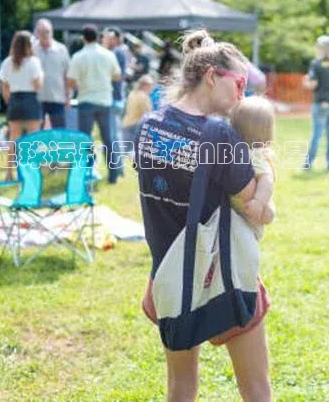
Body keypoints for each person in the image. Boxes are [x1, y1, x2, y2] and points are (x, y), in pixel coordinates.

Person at [135, 29, 273, 402]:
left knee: (180, 386)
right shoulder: (219, 137)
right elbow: (256, 212)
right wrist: (265, 176)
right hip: (221, 275)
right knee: (256, 388)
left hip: (169, 278)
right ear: (212, 76)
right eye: (240, 83)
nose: (242, 95)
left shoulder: (149, 126)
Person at [68, 25, 121, 184]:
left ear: (83, 38)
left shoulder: (78, 56)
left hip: (86, 101)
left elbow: (71, 81)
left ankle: (86, 172)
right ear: (98, 37)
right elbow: (117, 76)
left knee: (85, 140)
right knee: (108, 140)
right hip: (104, 100)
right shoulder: (108, 55)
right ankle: (113, 174)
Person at [230, 95, 276, 241]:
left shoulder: (255, 154)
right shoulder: (240, 150)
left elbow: (266, 179)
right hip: (240, 213)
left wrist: (259, 202)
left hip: (251, 216)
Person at [0, 30, 44, 179]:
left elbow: (4, 86)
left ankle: (9, 172)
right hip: (30, 99)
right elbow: (38, 85)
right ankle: (33, 171)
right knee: (33, 139)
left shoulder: (7, 62)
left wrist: (9, 101)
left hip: (15, 100)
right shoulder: (33, 62)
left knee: (13, 138)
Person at [302, 35, 329, 171]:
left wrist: (305, 81)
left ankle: (308, 163)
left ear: (321, 48)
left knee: (316, 135)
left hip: (321, 103)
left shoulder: (316, 64)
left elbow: (313, 84)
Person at [33, 19, 71, 128]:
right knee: (36, 131)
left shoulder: (61, 49)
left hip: (57, 97)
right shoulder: (32, 49)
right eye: (41, 32)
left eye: (47, 31)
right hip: (37, 97)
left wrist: (68, 95)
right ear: (37, 33)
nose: (44, 35)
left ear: (52, 32)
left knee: (59, 130)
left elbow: (67, 74)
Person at [103, 27, 128, 161]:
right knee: (114, 133)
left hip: (114, 99)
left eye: (107, 38)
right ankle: (118, 166)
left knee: (113, 135)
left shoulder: (115, 53)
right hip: (115, 99)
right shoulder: (118, 53)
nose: (104, 40)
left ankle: (117, 166)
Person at [121, 74, 153, 144]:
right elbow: (148, 114)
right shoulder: (144, 97)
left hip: (126, 122)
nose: (152, 88)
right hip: (136, 126)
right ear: (145, 85)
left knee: (122, 149)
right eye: (150, 85)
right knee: (130, 152)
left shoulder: (132, 93)